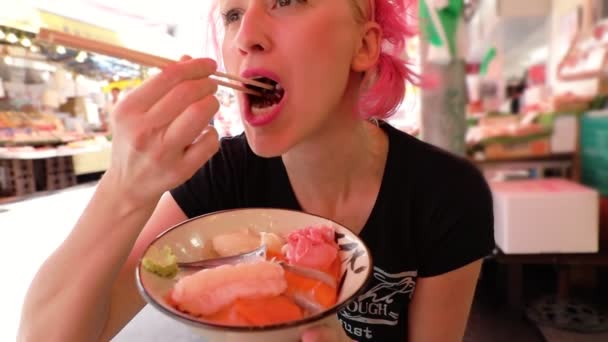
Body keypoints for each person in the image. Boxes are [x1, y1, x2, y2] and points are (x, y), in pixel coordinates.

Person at [18, 0, 494, 341]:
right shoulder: (220, 175)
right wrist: (124, 190)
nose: (246, 36)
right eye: (232, 14)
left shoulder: (446, 193)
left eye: (286, 0)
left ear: (364, 45)